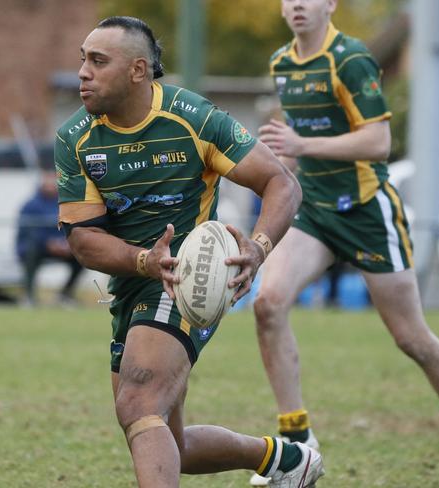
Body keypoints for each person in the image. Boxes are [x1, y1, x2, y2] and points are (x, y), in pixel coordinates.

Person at [55, 16, 324, 488]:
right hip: (133, 282)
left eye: (98, 61)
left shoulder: (193, 118)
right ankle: (283, 459)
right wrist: (142, 261)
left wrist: (258, 250)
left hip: (188, 278)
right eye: (83, 60)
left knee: (138, 403)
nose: (83, 72)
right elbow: (83, 239)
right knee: (167, 440)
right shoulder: (74, 138)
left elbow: (280, 182)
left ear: (138, 70)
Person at [249, 0, 439, 484]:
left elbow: (378, 142)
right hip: (314, 212)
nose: (299, 5)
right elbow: (293, 139)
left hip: (368, 214)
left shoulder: (349, 58)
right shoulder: (282, 62)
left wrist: (302, 145)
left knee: (413, 339)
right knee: (268, 304)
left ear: (330, 5)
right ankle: (298, 445)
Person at [15, 164, 83, 306]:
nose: (51, 184)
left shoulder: (66, 203)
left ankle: (66, 295)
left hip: (63, 246)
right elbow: (27, 231)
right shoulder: (30, 205)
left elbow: (73, 225)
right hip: (38, 247)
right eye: (48, 180)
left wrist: (67, 243)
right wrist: (47, 243)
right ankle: (29, 296)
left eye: (54, 181)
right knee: (30, 252)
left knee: (83, 256)